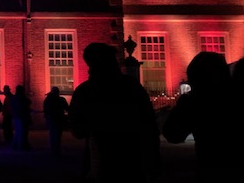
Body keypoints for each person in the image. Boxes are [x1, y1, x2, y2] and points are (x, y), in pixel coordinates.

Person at [69, 42, 160, 183]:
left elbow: (78, 131)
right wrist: (153, 163)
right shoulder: (132, 86)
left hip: (100, 163)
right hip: (132, 162)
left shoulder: (85, 91)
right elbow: (150, 126)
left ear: (90, 64)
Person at [162, 52, 244, 182]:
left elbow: (172, 134)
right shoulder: (236, 98)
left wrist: (184, 104)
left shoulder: (196, 102)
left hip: (211, 171)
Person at [42, 86, 69, 158]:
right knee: (58, 135)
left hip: (51, 119)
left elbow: (45, 109)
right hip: (58, 119)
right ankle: (56, 150)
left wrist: (47, 117)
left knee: (52, 135)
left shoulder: (48, 99)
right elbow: (67, 108)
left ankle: (53, 150)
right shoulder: (61, 100)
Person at [10, 84, 32, 151]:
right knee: (22, 132)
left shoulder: (14, 98)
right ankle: (21, 145)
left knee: (18, 131)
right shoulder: (22, 98)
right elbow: (28, 102)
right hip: (22, 117)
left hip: (16, 116)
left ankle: (15, 144)